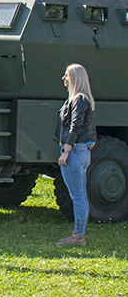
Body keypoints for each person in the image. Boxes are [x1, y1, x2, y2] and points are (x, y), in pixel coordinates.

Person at [54, 64, 96, 247]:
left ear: (75, 78)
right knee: (80, 195)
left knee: (77, 196)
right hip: (82, 152)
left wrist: (66, 151)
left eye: (67, 75)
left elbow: (75, 127)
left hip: (74, 152)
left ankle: (79, 236)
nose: (64, 78)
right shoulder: (83, 98)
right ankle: (78, 233)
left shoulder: (78, 99)